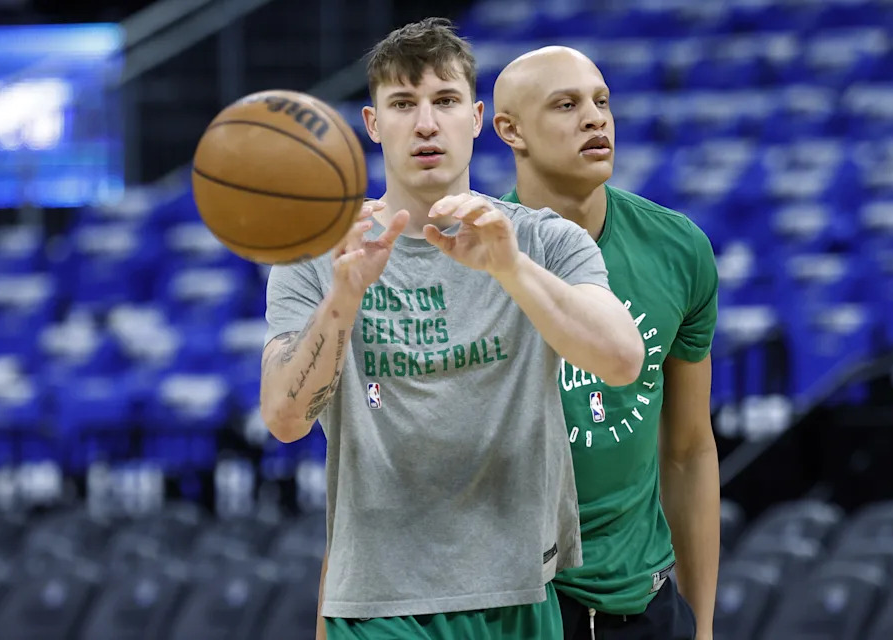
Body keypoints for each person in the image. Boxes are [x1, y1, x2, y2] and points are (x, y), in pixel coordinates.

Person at [259, 19, 646, 640]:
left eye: (444, 101)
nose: (426, 124)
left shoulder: (544, 240)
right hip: (379, 604)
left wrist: (509, 267)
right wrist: (344, 296)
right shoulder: (321, 258)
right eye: (403, 104)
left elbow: (622, 360)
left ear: (476, 116)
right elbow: (283, 418)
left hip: (520, 589)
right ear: (373, 123)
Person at [492, 46, 721, 640]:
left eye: (601, 102)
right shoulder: (473, 258)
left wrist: (701, 625)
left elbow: (689, 450)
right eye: (566, 105)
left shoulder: (678, 249)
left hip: (648, 606)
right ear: (509, 130)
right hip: (520, 608)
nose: (595, 118)